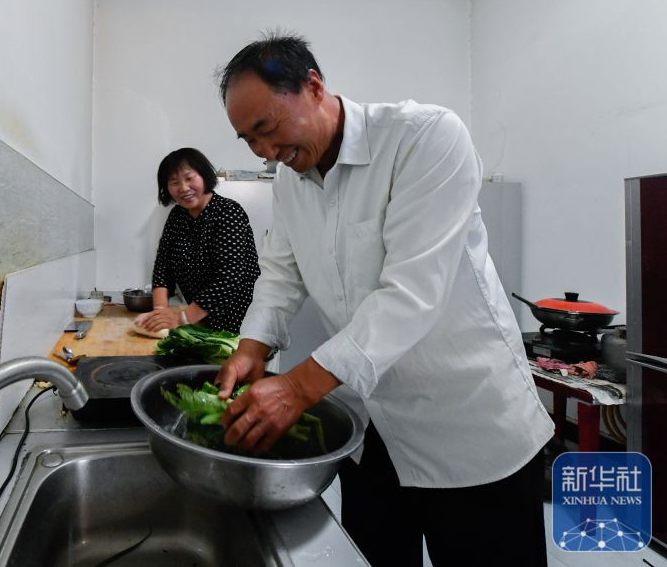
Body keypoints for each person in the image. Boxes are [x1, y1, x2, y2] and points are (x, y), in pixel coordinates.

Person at [213, 34, 554, 567]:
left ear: (313, 86)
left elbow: (411, 294)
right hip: (372, 431)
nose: (265, 151)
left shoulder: (424, 138)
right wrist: (252, 347)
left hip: (467, 430)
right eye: (249, 140)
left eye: (268, 128)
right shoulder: (290, 181)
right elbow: (281, 274)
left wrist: (297, 388)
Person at [135, 147, 261, 334]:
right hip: (203, 323)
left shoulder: (228, 212)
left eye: (189, 178)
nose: (183, 188)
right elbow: (163, 268)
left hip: (242, 323)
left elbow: (229, 277)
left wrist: (181, 318)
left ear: (204, 175)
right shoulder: (177, 217)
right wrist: (159, 313)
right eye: (174, 182)